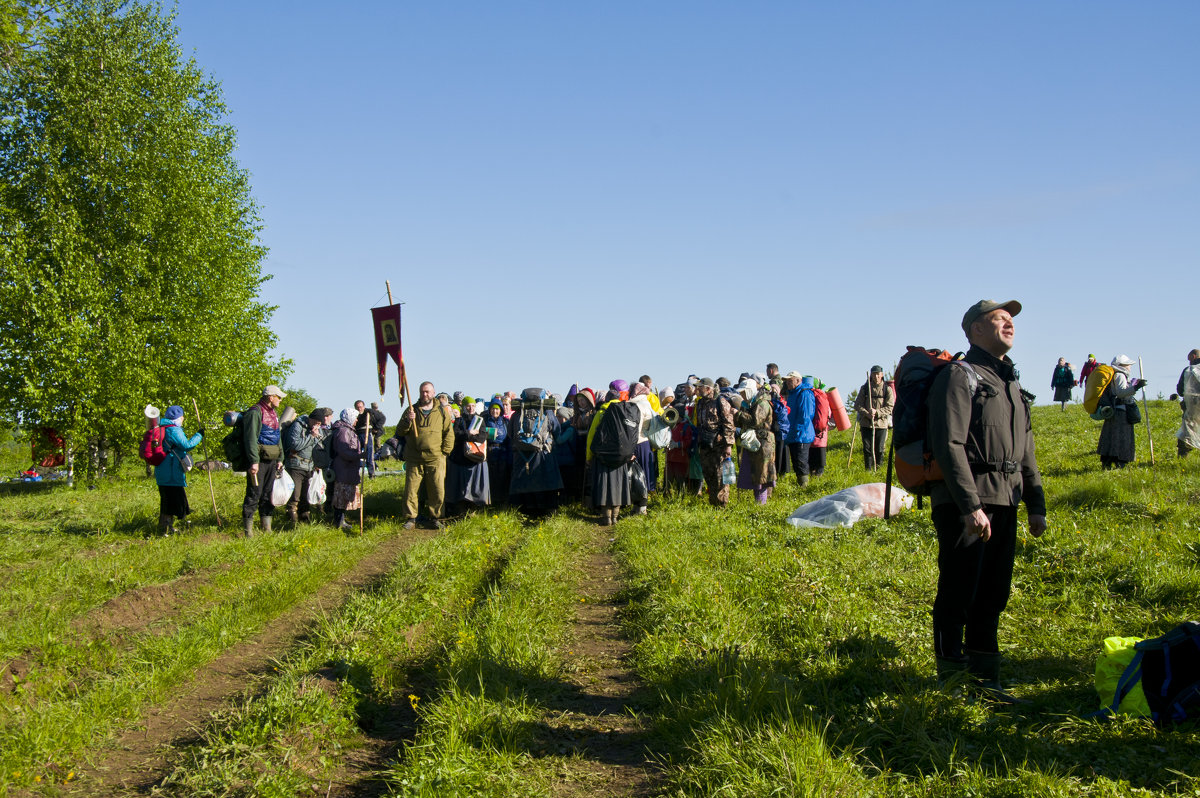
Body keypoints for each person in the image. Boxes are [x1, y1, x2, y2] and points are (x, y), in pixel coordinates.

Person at [927, 299, 1047, 702]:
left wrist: (1037, 504)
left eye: (1011, 318)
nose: (1008, 322)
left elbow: (1026, 450)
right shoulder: (961, 376)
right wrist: (968, 504)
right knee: (959, 588)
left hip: (1006, 499)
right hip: (967, 501)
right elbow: (949, 443)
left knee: (993, 591)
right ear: (975, 330)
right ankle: (953, 681)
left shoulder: (1011, 383)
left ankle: (986, 681)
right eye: (999, 318)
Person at [397, 381, 455, 529]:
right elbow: (400, 431)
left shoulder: (441, 411)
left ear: (433, 393)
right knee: (411, 490)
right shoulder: (411, 410)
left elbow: (449, 433)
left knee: (437, 489)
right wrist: (407, 420)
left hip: (435, 457)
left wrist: (445, 452)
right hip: (414, 457)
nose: (425, 394)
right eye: (422, 391)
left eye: (428, 391)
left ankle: (436, 517)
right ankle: (411, 518)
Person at [241, 385, 286, 537]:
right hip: (259, 461)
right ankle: (248, 531)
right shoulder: (255, 412)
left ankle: (266, 528)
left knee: (268, 494)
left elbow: (276, 436)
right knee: (254, 493)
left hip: (272, 460)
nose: (280, 400)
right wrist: (254, 461)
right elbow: (250, 439)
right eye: (278, 397)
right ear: (270, 397)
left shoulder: (274, 413)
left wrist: (280, 458)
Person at [154, 405, 203, 535]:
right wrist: (199, 435)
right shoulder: (174, 430)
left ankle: (166, 528)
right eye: (182, 418)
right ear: (178, 418)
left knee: (167, 500)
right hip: (171, 472)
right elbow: (186, 445)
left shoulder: (161, 427)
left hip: (163, 471)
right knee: (171, 501)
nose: (183, 420)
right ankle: (164, 529)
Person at [282, 407, 332, 525]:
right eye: (316, 422)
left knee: (305, 496)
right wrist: (312, 436)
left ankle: (304, 520)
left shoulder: (314, 429)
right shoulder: (297, 426)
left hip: (309, 466)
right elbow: (295, 445)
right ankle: (291, 521)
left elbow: (316, 447)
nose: (317, 425)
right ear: (311, 419)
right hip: (296, 465)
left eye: (320, 424)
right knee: (295, 495)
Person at [693, 377, 736, 507]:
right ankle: (713, 502)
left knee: (720, 476)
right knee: (708, 473)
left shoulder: (720, 401)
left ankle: (722, 504)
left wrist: (728, 445)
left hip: (719, 445)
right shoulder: (700, 403)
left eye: (700, 387)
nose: (697, 390)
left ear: (708, 388)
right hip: (705, 444)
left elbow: (729, 424)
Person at [1097, 355, 1146, 470]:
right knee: (1122, 437)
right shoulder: (1120, 375)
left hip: (1114, 410)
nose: (1129, 367)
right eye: (1128, 364)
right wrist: (1136, 387)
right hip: (1121, 411)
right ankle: (1120, 461)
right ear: (1122, 366)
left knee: (1111, 437)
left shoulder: (1115, 375)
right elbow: (1120, 393)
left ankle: (1108, 462)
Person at [733, 379, 776, 504]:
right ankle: (759, 502)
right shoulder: (749, 404)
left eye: (744, 392)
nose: (742, 395)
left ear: (750, 391)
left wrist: (738, 414)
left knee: (762, 473)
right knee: (754, 473)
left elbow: (755, 421)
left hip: (763, 443)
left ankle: (761, 503)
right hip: (753, 442)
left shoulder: (762, 403)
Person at [446, 399, 491, 514]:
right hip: (459, 459)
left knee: (473, 487)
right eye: (468, 406)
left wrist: (466, 436)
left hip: (474, 459)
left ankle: (473, 508)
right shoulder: (459, 419)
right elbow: (455, 435)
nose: (471, 408)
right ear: (464, 407)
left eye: (473, 406)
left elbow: (482, 436)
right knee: (460, 487)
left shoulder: (480, 420)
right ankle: (459, 508)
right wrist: (469, 434)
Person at [854, 366, 893, 471]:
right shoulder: (865, 388)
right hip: (866, 424)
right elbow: (857, 404)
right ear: (871, 375)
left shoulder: (887, 389)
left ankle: (879, 470)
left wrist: (877, 413)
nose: (876, 376)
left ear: (882, 375)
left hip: (881, 424)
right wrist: (867, 413)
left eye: (878, 374)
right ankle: (868, 470)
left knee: (879, 449)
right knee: (867, 449)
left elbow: (890, 407)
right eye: (874, 374)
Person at [329, 408, 362, 532]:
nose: (357, 420)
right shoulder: (343, 432)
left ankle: (341, 520)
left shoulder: (348, 430)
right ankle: (338, 522)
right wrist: (359, 456)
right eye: (355, 417)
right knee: (341, 497)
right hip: (343, 468)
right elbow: (344, 451)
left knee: (343, 497)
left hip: (348, 468)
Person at [781, 371, 815, 486]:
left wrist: (797, 432)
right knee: (796, 462)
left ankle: (804, 487)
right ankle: (801, 485)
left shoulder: (804, 393)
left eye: (790, 381)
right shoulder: (792, 393)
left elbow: (806, 416)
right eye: (787, 381)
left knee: (801, 462)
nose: (788, 384)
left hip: (801, 435)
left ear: (798, 380)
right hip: (793, 434)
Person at [1176, 349, 1200, 457]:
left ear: (1193, 356)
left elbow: (1180, 390)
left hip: (1192, 408)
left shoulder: (1188, 370)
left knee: (1187, 432)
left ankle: (1183, 456)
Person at [808, 378, 831, 477]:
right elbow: (828, 414)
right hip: (822, 433)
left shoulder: (809, 395)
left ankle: (812, 477)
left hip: (810, 432)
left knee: (811, 459)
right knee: (820, 461)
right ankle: (819, 477)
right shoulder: (823, 396)